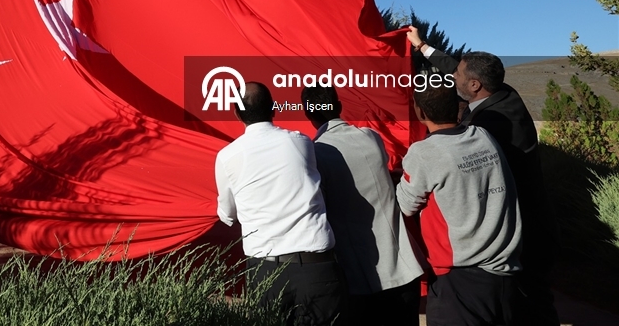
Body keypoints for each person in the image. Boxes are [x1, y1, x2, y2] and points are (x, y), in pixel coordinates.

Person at [406, 27, 559, 326]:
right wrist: (422, 45)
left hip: (522, 232)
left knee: (533, 309)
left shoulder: (488, 128)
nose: (452, 78)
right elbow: (457, 70)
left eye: (459, 76)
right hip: (520, 229)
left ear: (475, 85)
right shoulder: (503, 93)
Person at [215, 81, 346, 324]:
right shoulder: (301, 142)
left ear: (236, 113)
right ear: (274, 108)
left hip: (267, 274)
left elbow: (227, 214)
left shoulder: (227, 156)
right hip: (317, 268)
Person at [397, 85, 522, 326]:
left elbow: (405, 205)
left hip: (461, 278)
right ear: (457, 108)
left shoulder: (424, 152)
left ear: (419, 112)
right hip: (504, 271)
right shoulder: (482, 136)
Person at [302, 87, 423, 326]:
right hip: (403, 270)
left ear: (308, 114)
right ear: (338, 106)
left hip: (361, 281)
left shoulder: (316, 155)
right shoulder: (370, 137)